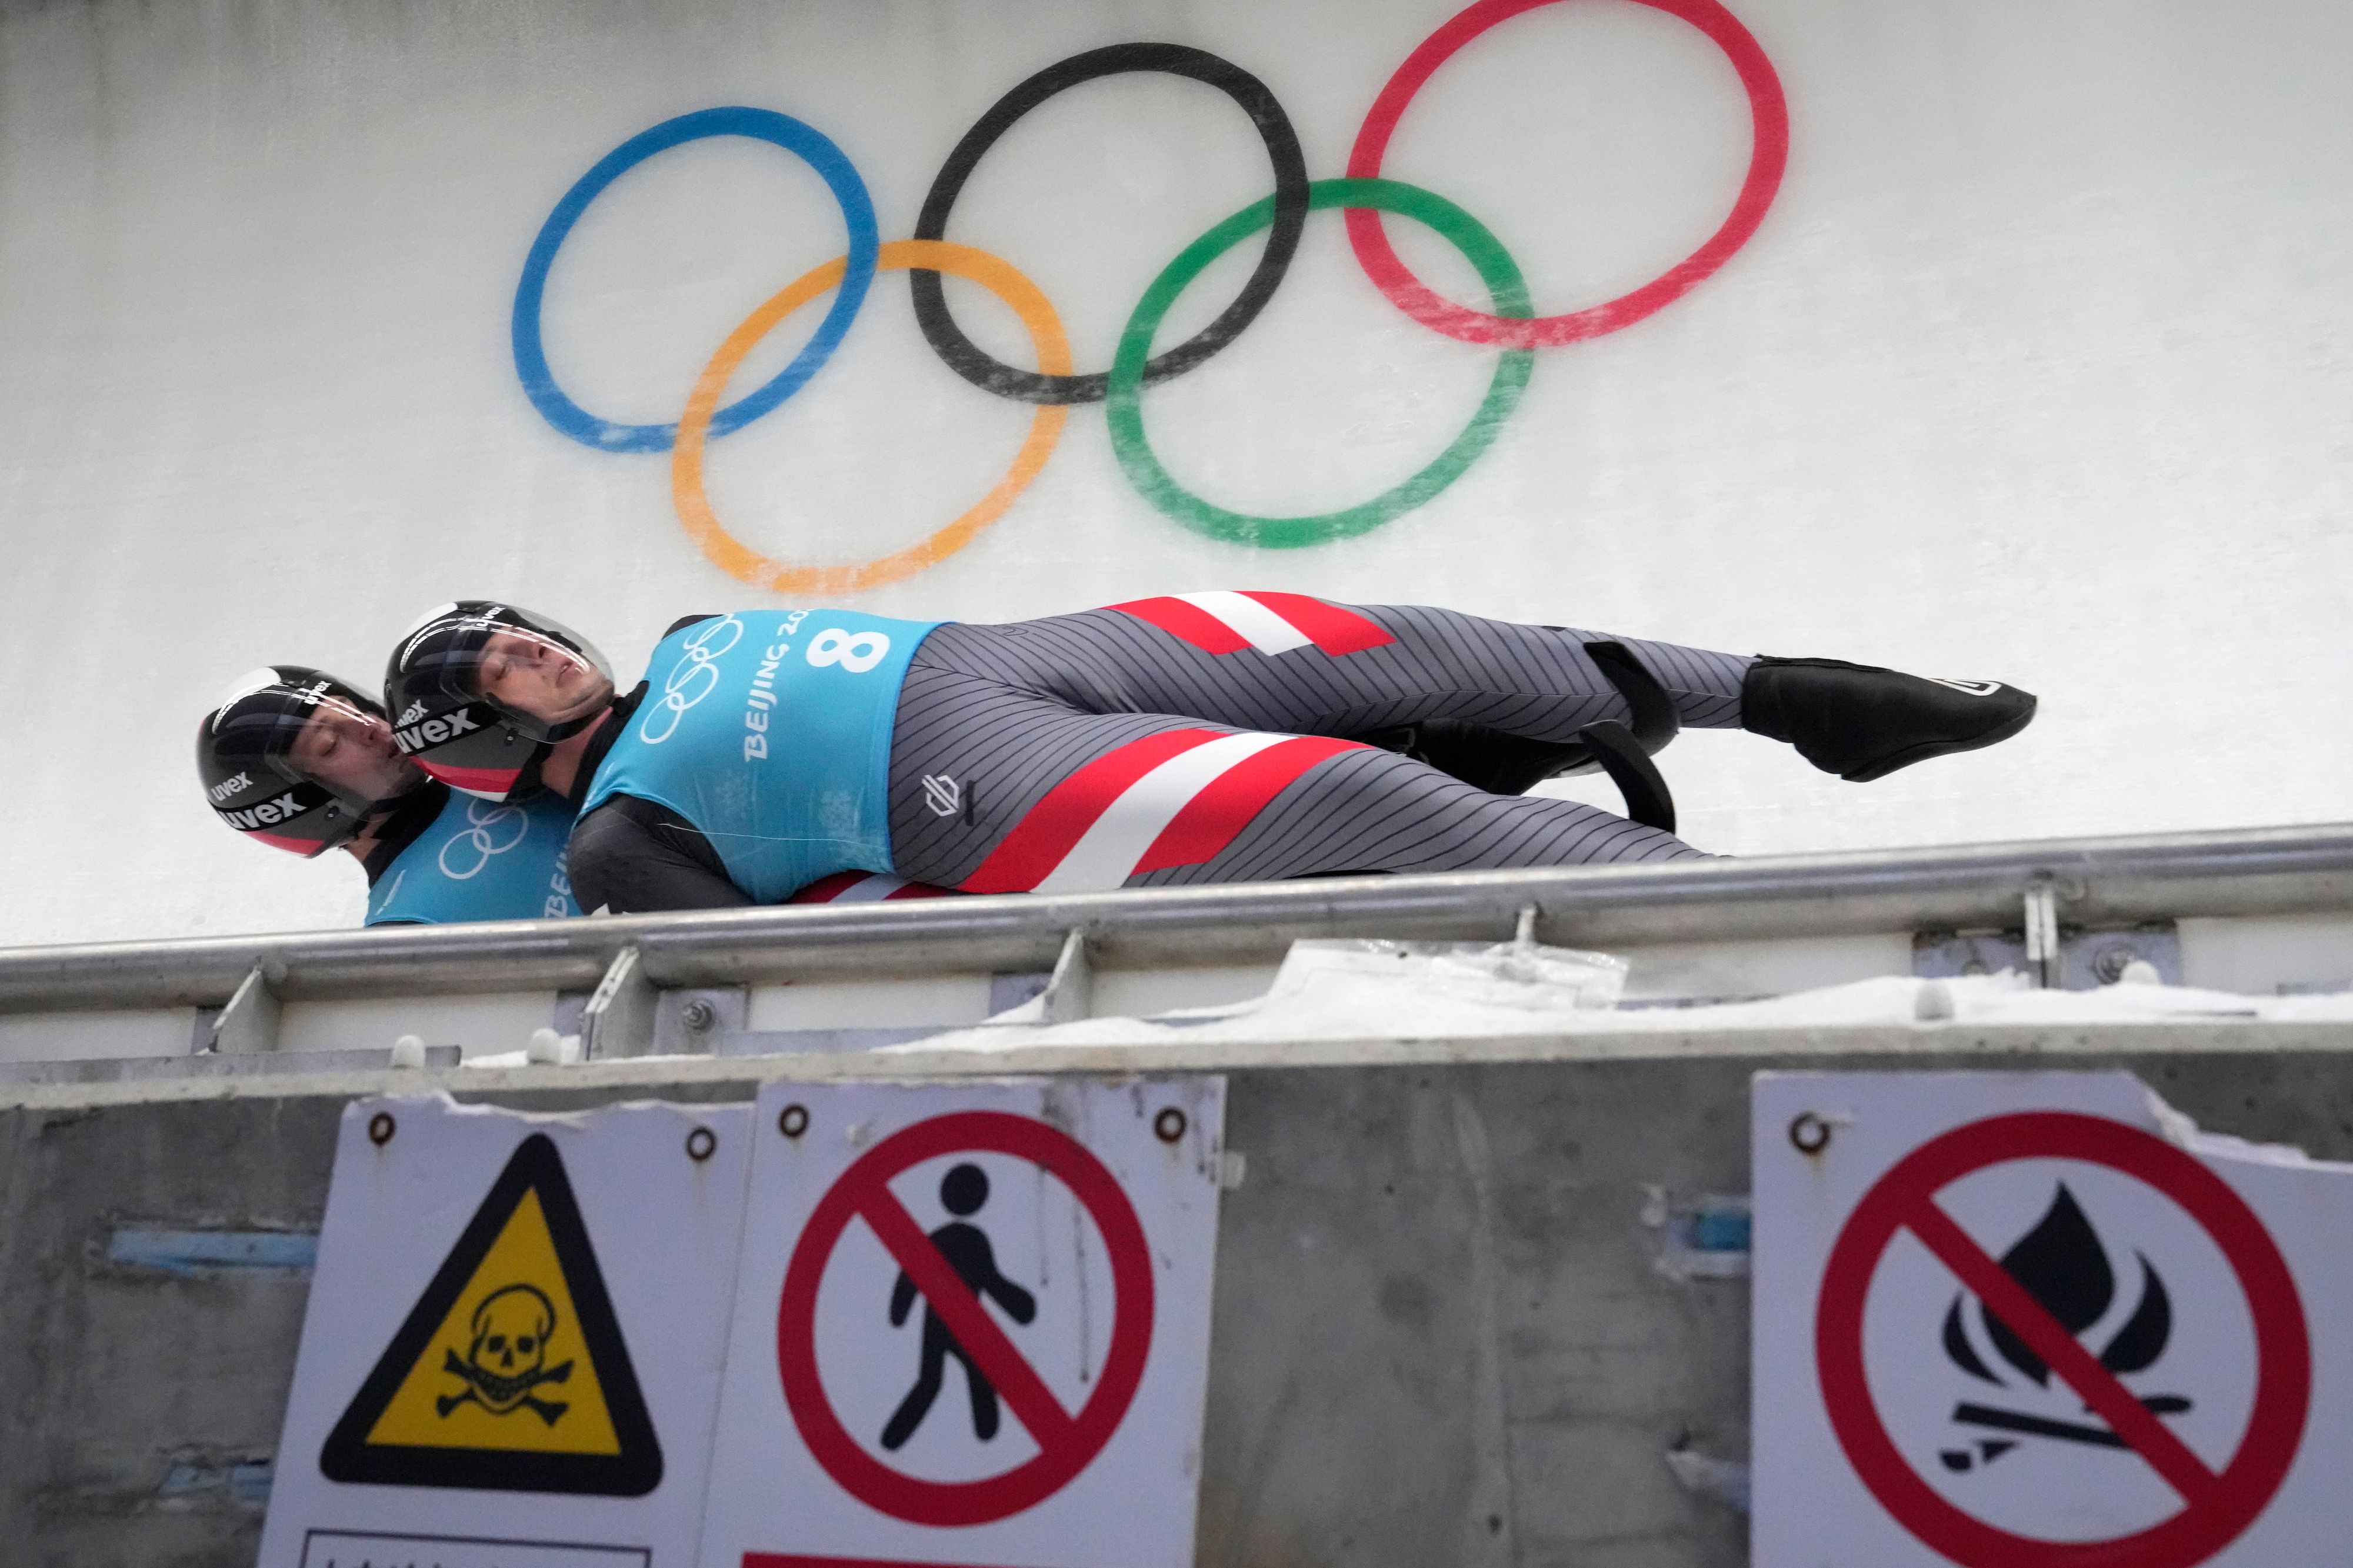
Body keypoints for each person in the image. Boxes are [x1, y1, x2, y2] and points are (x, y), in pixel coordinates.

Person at [382, 595, 2035, 915]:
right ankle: (1761, 917)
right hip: (992, 801)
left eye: (518, 626)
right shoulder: (612, 848)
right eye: (496, 667)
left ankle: (1813, 699)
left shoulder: (685, 632)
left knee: (1431, 649)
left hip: (1032, 652)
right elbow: (822, 952)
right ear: (479, 741)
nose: (532, 646)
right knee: (1372, 798)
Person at [196, 666, 580, 925]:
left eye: (352, 711)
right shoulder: (405, 928)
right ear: (301, 806)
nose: (371, 727)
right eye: (330, 745)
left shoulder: (514, 760)